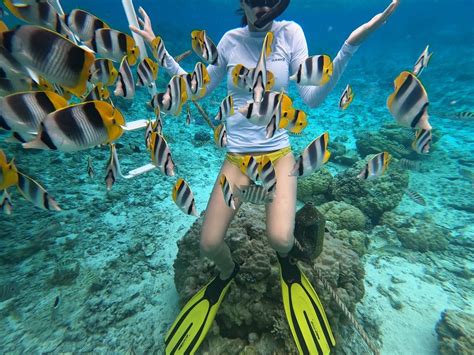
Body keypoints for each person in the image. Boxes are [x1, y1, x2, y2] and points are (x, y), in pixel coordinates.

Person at [131, 0, 399, 353]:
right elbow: (193, 87)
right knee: (210, 244)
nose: (262, 5)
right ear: (241, 1)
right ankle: (228, 272)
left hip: (278, 156)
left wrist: (349, 45)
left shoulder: (291, 34)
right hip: (237, 160)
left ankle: (288, 261)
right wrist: (155, 44)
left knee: (280, 239)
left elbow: (312, 97)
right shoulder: (229, 41)